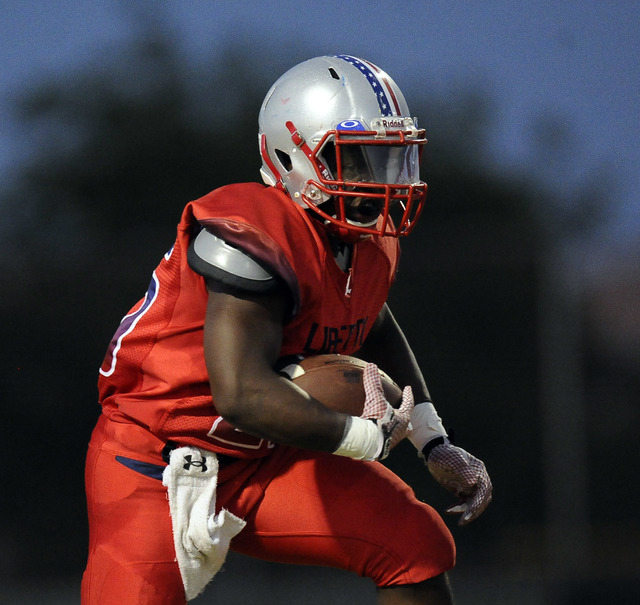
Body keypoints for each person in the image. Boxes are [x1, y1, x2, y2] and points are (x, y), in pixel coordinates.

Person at [81, 54, 492, 605]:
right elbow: (240, 393)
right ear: (288, 155)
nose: (383, 180)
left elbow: (369, 320)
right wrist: (365, 439)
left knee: (414, 544)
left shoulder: (368, 243)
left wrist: (432, 439)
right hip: (154, 458)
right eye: (359, 160)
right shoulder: (251, 231)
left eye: (391, 159)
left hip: (265, 457)